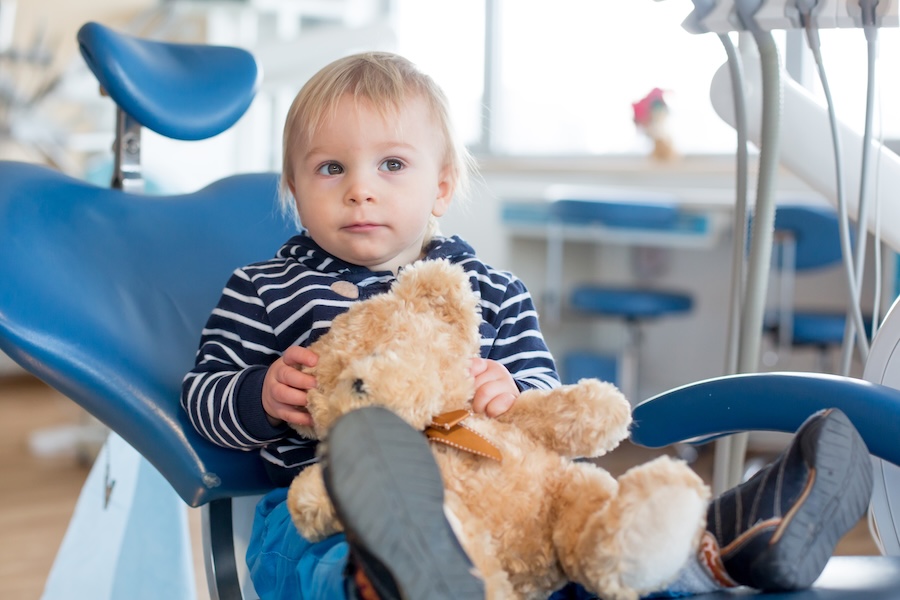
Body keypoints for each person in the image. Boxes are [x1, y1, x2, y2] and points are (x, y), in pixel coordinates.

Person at [181, 51, 874, 600]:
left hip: (498, 493)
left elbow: (542, 387)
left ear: (442, 186)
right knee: (304, 558)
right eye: (330, 168)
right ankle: (385, 577)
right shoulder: (266, 289)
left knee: (578, 539)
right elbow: (202, 396)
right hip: (334, 504)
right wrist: (259, 394)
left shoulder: (489, 290)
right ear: (294, 190)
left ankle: (719, 549)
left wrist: (507, 388)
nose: (360, 188)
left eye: (392, 164)